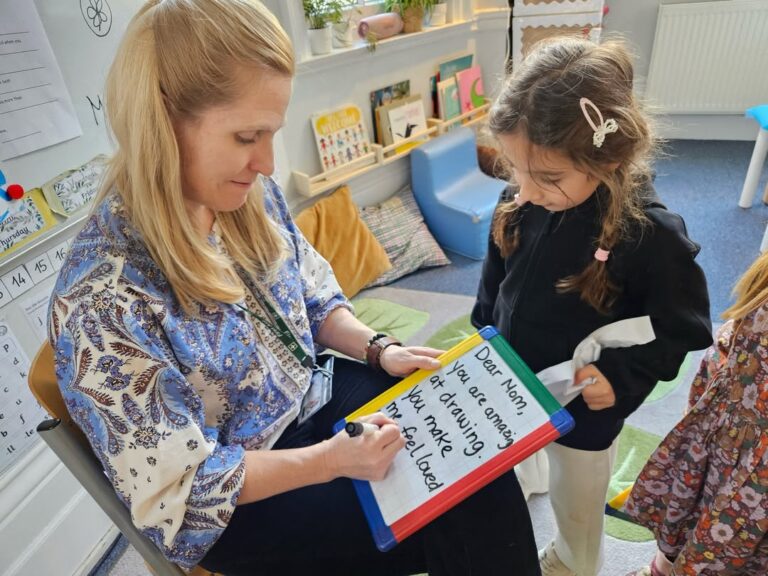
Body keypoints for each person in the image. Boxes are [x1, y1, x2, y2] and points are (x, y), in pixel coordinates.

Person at [48, 1, 541, 575]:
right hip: (237, 497)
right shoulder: (104, 299)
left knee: (476, 459)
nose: (265, 162)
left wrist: (378, 348)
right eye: (246, 136)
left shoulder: (243, 197)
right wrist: (331, 461)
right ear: (161, 121)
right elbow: (184, 490)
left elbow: (309, 298)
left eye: (271, 133)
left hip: (311, 398)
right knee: (458, 511)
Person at [470, 36, 713, 576]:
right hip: (516, 377)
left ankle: (573, 560)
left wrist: (621, 378)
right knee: (520, 459)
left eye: (547, 177)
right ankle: (532, 474)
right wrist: (483, 330)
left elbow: (685, 327)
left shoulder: (650, 234)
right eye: (514, 169)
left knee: (575, 500)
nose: (524, 190)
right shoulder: (522, 196)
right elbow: (496, 275)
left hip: (585, 404)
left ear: (608, 158)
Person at [623, 251, 768, 576]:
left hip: (741, 456)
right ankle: (662, 567)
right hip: (730, 434)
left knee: (717, 539)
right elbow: (731, 342)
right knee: (692, 521)